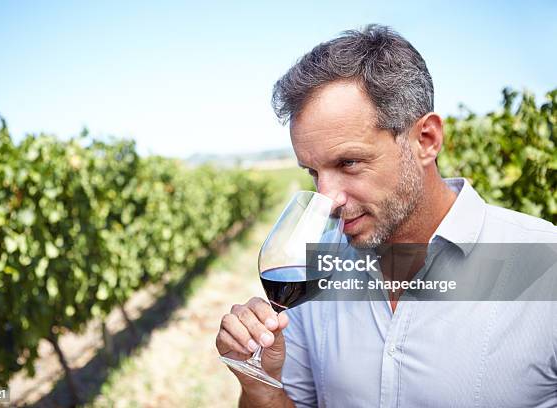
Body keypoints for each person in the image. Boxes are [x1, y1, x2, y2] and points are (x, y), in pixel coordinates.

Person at [215, 25, 557, 407]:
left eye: (349, 162)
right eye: (313, 172)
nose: (328, 198)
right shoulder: (316, 271)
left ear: (426, 140)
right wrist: (260, 385)